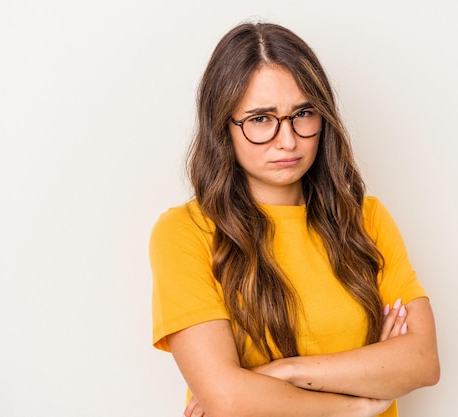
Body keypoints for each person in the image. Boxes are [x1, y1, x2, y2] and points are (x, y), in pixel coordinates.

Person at [149, 22, 439, 417]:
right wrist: (355, 408)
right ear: (223, 127)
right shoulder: (186, 233)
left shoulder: (365, 219)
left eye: (303, 113)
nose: (287, 140)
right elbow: (227, 398)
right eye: (260, 119)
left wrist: (285, 372)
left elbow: (422, 360)